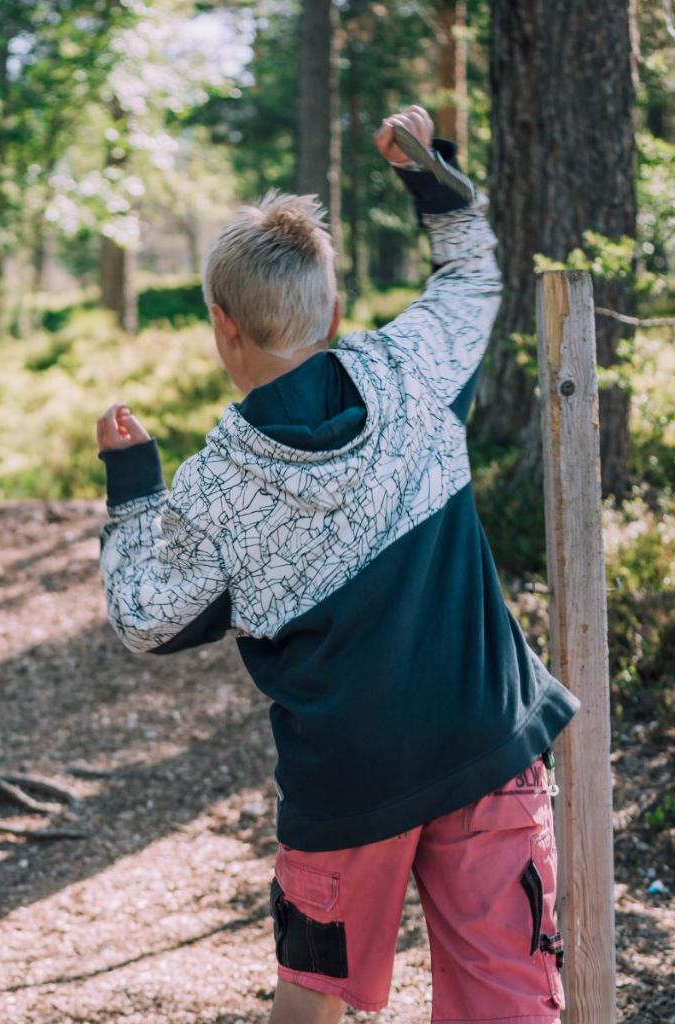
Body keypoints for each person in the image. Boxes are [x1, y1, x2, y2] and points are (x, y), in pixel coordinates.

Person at [94, 105, 580, 1024]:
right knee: (510, 1001)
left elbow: (144, 616)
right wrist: (428, 177)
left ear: (222, 326)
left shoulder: (215, 490)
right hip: (489, 749)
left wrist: (133, 487)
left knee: (310, 1002)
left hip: (345, 796)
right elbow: (472, 271)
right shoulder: (413, 372)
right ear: (338, 313)